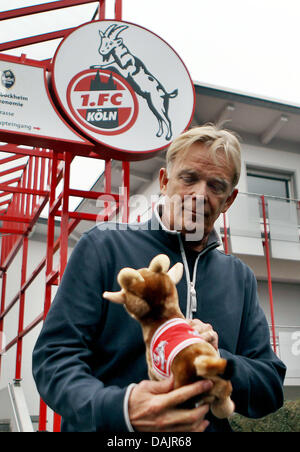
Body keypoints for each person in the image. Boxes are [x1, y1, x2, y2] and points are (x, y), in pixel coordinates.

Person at [32, 124, 286, 432]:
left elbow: (270, 386)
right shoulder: (103, 246)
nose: (199, 194)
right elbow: (54, 358)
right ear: (165, 182)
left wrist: (217, 359)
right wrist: (121, 409)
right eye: (189, 178)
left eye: (215, 186)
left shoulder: (239, 277)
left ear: (228, 201)